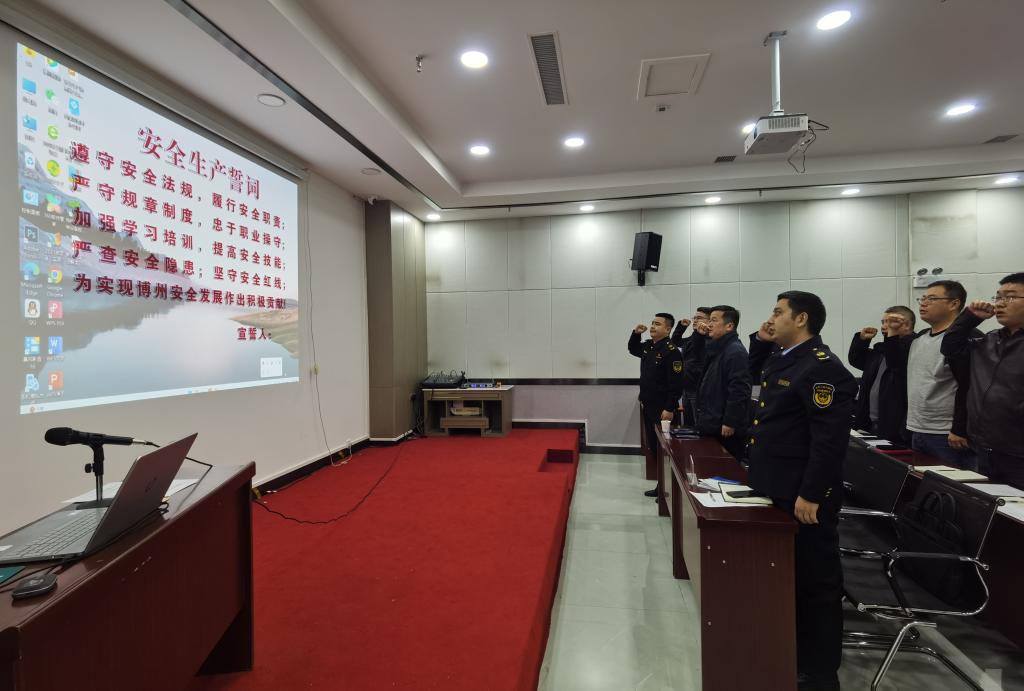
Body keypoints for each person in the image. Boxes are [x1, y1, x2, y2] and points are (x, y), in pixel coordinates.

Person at [747, 291, 856, 691]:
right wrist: (762, 341)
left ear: (801, 318)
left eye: (778, 312)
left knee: (816, 583)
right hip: (777, 486)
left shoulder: (822, 368)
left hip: (803, 495)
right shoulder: (786, 358)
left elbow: (828, 441)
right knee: (789, 578)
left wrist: (812, 493)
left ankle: (820, 672)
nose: (771, 318)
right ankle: (791, 651)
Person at [883, 280, 980, 468]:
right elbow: (896, 366)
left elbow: (970, 385)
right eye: (923, 299)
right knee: (921, 483)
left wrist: (960, 428)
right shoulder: (920, 338)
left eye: (932, 299)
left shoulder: (966, 338)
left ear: (954, 304)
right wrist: (892, 333)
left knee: (950, 485)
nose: (924, 303)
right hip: (917, 428)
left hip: (948, 434)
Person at [941, 273, 1024, 488]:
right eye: (998, 297)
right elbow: (950, 347)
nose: (1000, 303)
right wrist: (970, 317)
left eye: (1010, 297)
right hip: (986, 448)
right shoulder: (991, 340)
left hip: (1018, 453)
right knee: (991, 504)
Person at [628, 313, 686, 498]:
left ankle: (669, 490)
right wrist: (636, 334)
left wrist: (669, 407)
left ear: (668, 329)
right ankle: (661, 486)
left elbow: (676, 384)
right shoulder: (649, 347)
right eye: (652, 323)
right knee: (654, 447)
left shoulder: (671, 351)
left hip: (663, 409)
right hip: (648, 404)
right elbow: (633, 349)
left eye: (658, 324)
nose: (653, 326)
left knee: (666, 449)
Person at [689, 305, 751, 460]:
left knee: (723, 469)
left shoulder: (735, 351)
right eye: (709, 320)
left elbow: (739, 390)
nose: (709, 324)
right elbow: (696, 357)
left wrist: (730, 422)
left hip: (724, 428)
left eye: (714, 320)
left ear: (729, 326)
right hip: (711, 422)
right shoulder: (718, 348)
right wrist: (700, 336)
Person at [847, 306, 915, 443]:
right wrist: (862, 340)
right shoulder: (881, 349)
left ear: (907, 325)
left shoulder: (914, 348)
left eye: (890, 322)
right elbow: (856, 360)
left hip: (896, 426)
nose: (884, 326)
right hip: (869, 423)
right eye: (883, 322)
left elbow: (896, 363)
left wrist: (892, 338)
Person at [672, 308, 709, 426]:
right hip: (687, 388)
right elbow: (675, 342)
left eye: (699, 318)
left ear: (709, 321)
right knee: (688, 426)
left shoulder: (709, 340)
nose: (695, 320)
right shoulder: (693, 338)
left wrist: (699, 334)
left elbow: (698, 349)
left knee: (699, 425)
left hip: (698, 389)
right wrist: (681, 327)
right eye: (695, 318)